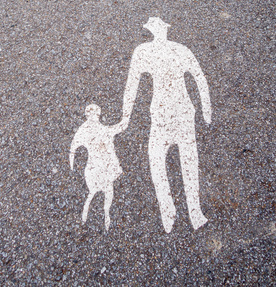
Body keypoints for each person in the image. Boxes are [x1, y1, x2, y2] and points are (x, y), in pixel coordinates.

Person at [122, 17, 212, 232]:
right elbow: (132, 84)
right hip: (167, 112)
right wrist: (125, 116)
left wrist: (206, 110)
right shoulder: (160, 50)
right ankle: (172, 212)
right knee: (166, 159)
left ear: (152, 30)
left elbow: (199, 79)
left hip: (177, 111)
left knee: (180, 160)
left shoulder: (151, 51)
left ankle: (188, 211)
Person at [70, 104, 128, 230]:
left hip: (98, 168)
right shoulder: (90, 130)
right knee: (101, 191)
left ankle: (102, 215)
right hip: (95, 169)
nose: (94, 116)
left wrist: (72, 165)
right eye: (93, 114)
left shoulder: (91, 130)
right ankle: (101, 215)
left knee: (101, 192)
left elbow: (73, 149)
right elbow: (73, 149)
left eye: (95, 114)